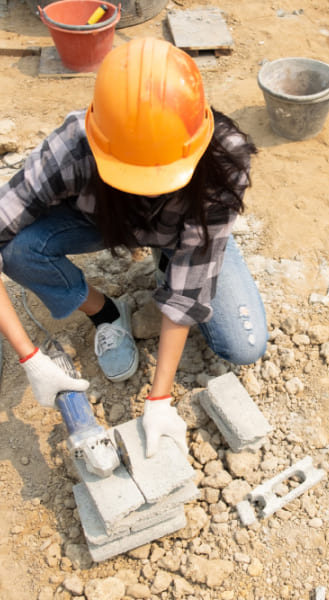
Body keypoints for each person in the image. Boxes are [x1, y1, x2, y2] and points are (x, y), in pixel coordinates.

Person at [0, 38, 268, 457]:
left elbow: (187, 295)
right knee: (18, 250)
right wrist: (30, 358)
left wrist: (159, 400)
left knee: (243, 347)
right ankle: (107, 312)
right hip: (104, 225)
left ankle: (168, 260)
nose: (148, 187)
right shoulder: (73, 145)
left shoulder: (223, 159)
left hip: (187, 235)